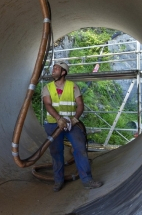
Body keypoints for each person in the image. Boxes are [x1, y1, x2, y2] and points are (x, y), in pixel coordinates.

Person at [42, 61, 102, 192]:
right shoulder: (47, 87)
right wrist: (58, 119)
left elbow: (80, 104)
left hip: (71, 124)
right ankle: (58, 181)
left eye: (57, 68)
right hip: (53, 124)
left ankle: (87, 180)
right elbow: (47, 104)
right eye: (53, 68)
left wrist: (75, 119)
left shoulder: (73, 87)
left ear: (63, 72)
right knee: (56, 152)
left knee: (80, 149)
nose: (53, 70)